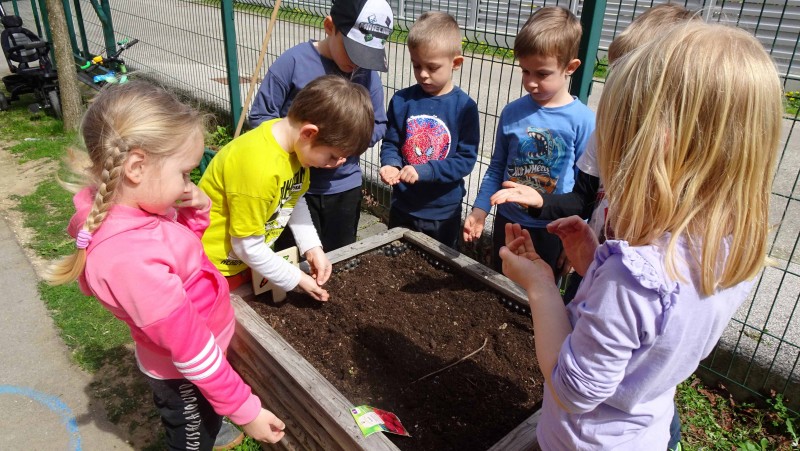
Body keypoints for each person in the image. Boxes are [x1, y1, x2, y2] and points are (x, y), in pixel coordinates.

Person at [499, 22, 783, 450]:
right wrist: (593, 264)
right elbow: (654, 339)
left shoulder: (631, 280)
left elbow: (573, 391)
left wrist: (540, 285)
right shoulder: (731, 251)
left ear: (651, 147)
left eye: (612, 142)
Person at [42, 81, 287, 449]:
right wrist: (245, 410)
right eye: (184, 173)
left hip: (201, 359)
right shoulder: (128, 256)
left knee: (206, 418)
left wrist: (196, 211)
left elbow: (177, 252)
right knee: (191, 440)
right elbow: (189, 347)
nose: (189, 183)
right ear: (137, 167)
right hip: (184, 372)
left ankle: (214, 416)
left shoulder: (137, 209)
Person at [490, 3, 698, 302]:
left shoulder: (680, 164)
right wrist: (544, 204)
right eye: (614, 75)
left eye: (625, 80)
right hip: (593, 263)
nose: (614, 89)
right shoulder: (605, 134)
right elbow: (583, 199)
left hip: (633, 288)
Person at [199, 75, 374, 300]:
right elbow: (246, 246)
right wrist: (297, 278)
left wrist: (312, 247)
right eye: (332, 156)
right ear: (309, 133)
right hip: (215, 268)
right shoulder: (258, 168)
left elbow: (292, 198)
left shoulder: (294, 149)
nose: (336, 164)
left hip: (246, 260)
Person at [248, 0, 392, 252]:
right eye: (353, 51)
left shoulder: (367, 74)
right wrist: (299, 148)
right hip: (292, 187)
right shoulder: (293, 62)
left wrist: (346, 146)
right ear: (329, 26)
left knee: (341, 256)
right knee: (293, 256)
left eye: (366, 55)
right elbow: (261, 116)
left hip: (344, 187)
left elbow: (378, 122)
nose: (357, 63)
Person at [462, 6, 595, 275]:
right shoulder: (512, 112)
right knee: (501, 285)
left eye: (542, 74)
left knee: (541, 294)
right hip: (509, 222)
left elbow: (585, 190)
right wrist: (480, 209)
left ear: (570, 67)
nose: (531, 82)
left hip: (552, 230)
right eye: (525, 71)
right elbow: (497, 167)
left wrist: (578, 237)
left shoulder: (583, 121)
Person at [379, 11, 480, 249]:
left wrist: (426, 170)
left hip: (442, 212)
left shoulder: (465, 107)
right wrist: (391, 164)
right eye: (417, 65)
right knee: (395, 261)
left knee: (437, 265)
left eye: (432, 67)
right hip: (403, 205)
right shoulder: (402, 100)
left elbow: (465, 160)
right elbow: (391, 142)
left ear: (456, 63)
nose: (423, 74)